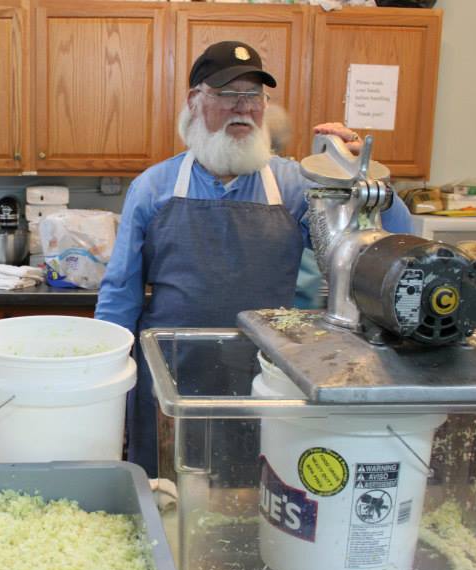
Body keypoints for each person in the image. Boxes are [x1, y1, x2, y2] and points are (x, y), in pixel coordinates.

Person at [94, 42, 413, 477]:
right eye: (227, 94)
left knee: (253, 487)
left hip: (266, 372)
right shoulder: (154, 187)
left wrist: (361, 176)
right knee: (165, 488)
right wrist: (105, 378)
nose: (242, 107)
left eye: (254, 96)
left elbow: (386, 244)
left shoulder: (296, 186)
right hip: (170, 371)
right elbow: (120, 292)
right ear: (194, 101)